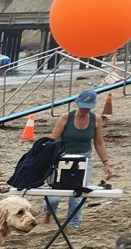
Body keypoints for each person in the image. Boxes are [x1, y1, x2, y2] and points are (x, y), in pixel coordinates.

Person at [43, 89, 113, 228]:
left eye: (87, 108)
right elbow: (53, 140)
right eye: (82, 107)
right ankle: (49, 212)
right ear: (77, 103)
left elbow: (99, 143)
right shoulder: (65, 118)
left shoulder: (96, 119)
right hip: (63, 158)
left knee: (77, 195)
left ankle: (73, 226)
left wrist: (106, 163)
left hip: (84, 159)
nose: (84, 110)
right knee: (54, 197)